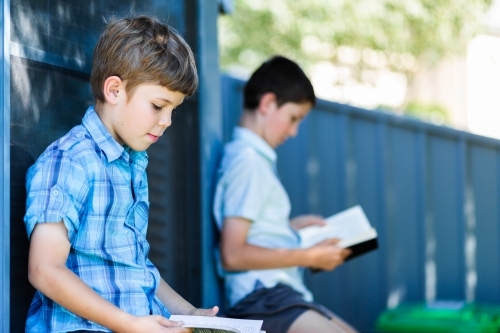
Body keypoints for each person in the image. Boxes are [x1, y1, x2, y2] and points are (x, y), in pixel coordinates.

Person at [24, 16, 218, 333]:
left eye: (174, 110)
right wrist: (129, 324)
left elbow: (136, 268)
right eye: (158, 105)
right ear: (115, 90)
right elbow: (45, 269)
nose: (167, 121)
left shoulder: (132, 165)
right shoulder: (70, 160)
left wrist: (188, 312)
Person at [213, 56, 358, 333]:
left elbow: (253, 233)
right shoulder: (248, 162)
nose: (293, 131)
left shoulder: (252, 159)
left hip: (278, 296)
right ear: (267, 103)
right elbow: (232, 254)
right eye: (293, 118)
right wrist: (310, 256)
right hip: (263, 299)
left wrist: (289, 227)